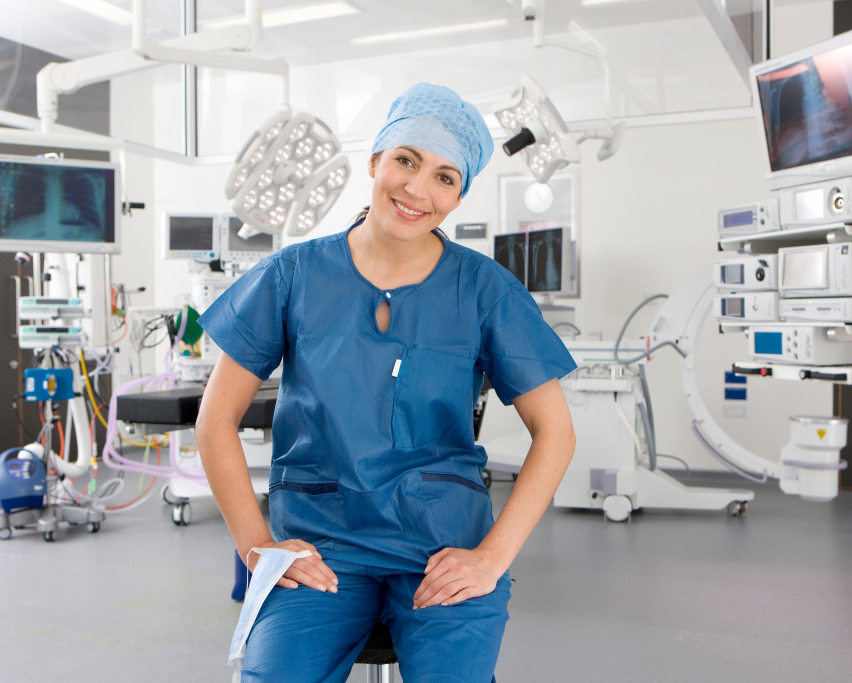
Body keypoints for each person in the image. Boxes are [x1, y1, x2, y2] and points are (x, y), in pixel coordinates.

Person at [196, 82, 577, 683]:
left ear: (458, 197)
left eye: (445, 177)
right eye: (406, 160)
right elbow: (215, 420)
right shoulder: (291, 275)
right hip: (321, 541)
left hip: (440, 544)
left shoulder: (484, 290)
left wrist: (491, 558)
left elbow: (555, 432)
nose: (417, 189)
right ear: (375, 162)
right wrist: (256, 545)